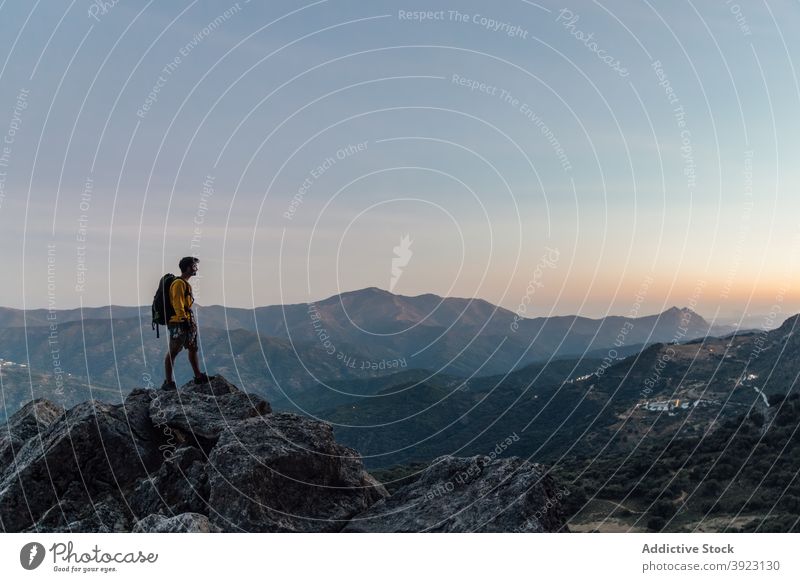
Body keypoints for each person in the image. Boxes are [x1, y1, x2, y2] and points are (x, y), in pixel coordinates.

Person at [161, 256, 211, 390]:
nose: (196, 268)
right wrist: (183, 320)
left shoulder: (184, 283)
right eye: (194, 266)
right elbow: (178, 303)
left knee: (193, 348)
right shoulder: (179, 284)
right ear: (188, 267)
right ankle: (168, 382)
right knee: (174, 351)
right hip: (179, 322)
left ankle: (198, 376)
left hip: (186, 321)